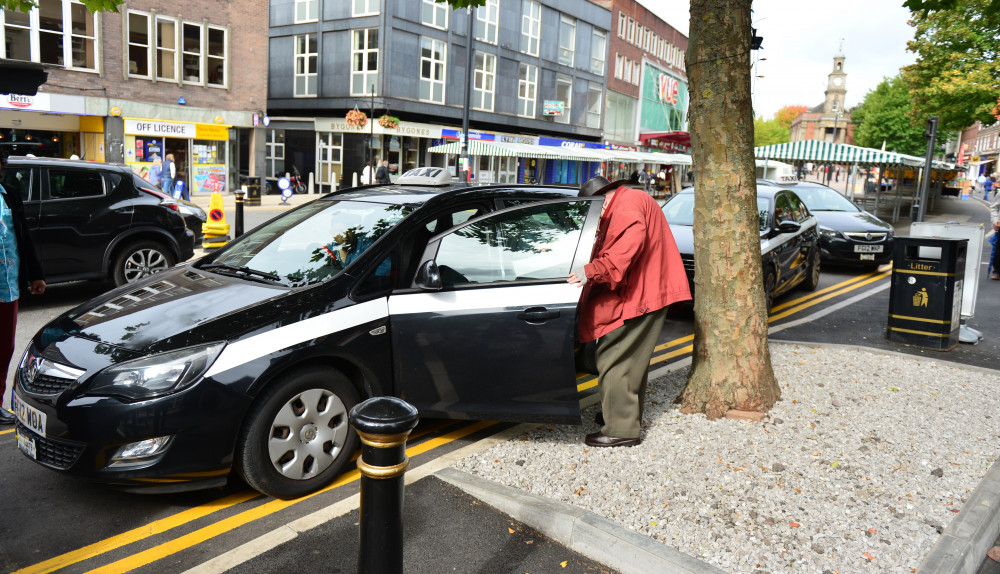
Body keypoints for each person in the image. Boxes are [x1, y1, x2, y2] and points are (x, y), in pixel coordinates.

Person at [568, 176, 691, 447]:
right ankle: (619, 416)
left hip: (641, 293)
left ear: (601, 200)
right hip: (648, 289)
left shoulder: (626, 205)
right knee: (630, 360)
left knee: (615, 357)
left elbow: (622, 253)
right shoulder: (631, 200)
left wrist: (588, 272)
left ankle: (620, 430)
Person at [0, 151, 46, 425]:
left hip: (7, 288)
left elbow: (23, 237)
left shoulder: (8, 193)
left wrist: (35, 275)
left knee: (4, 348)